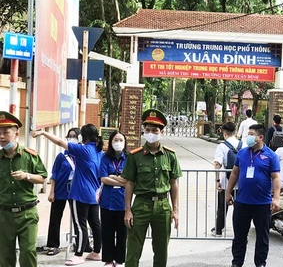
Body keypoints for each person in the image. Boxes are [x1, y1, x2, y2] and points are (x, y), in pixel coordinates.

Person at [32, 124, 104, 266]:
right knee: (95, 223)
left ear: (83, 137)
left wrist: (43, 133)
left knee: (80, 224)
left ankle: (78, 254)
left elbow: (59, 142)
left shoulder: (83, 150)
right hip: (94, 194)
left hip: (80, 194)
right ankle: (96, 251)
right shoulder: (100, 152)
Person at [122, 108, 182, 267]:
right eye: (147, 130)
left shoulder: (170, 155)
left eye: (154, 130)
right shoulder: (135, 155)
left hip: (162, 207)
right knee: (133, 248)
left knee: (161, 250)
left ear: (161, 132)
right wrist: (127, 210)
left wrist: (175, 210)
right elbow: (129, 183)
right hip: (141, 205)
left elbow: (173, 183)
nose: (150, 133)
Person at [226, 124, 281, 267]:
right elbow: (235, 173)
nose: (248, 137)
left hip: (262, 204)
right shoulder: (242, 153)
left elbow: (275, 177)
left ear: (260, 137)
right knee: (239, 236)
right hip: (242, 202)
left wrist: (276, 198)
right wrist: (228, 192)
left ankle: (260, 263)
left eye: (251, 134)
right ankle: (237, 262)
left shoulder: (271, 155)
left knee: (262, 237)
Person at [0, 111, 48, 267]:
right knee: (5, 255)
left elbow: (42, 177)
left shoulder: (29, 156)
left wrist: (27, 176)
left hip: (27, 214)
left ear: (16, 133)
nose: (1, 136)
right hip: (4, 216)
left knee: (27, 252)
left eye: (6, 132)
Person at [45, 127, 81, 256]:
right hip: (60, 189)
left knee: (78, 219)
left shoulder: (81, 154)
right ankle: (53, 245)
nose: (72, 138)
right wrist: (51, 192)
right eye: (69, 136)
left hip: (76, 190)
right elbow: (54, 174)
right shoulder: (61, 156)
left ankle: (80, 244)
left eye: (74, 136)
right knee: (55, 217)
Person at [99, 131, 128, 267]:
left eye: (121, 140)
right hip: (107, 201)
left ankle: (120, 260)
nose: (118, 142)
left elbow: (130, 180)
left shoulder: (129, 158)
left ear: (125, 142)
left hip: (123, 202)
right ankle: (108, 260)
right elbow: (103, 178)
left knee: (122, 234)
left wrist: (112, 177)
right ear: (111, 142)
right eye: (115, 140)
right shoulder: (105, 158)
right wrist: (120, 181)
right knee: (107, 232)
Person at [211, 121, 243, 236]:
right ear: (235, 132)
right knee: (240, 208)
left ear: (224, 134)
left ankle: (219, 230)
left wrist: (217, 181)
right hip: (241, 183)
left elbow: (217, 164)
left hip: (226, 183)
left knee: (222, 207)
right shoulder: (243, 145)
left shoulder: (222, 146)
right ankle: (240, 231)